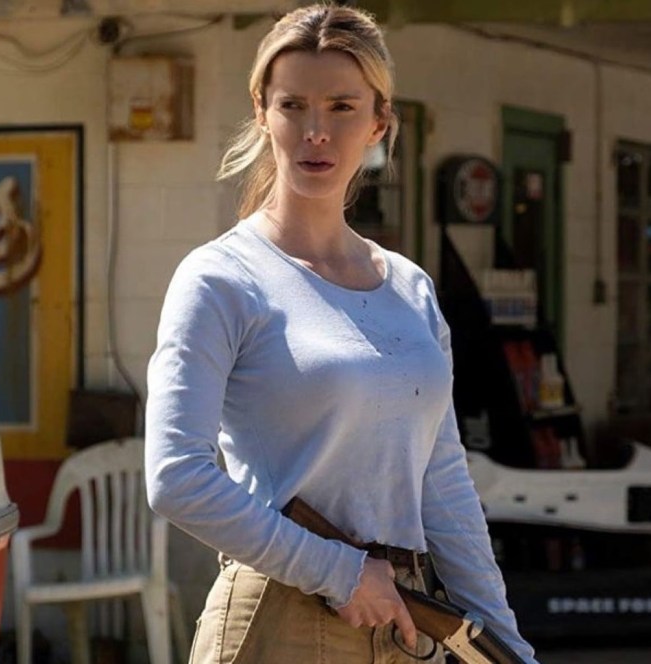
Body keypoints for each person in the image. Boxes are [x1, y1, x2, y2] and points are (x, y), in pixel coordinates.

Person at [145, 3, 537, 663]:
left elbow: (442, 482)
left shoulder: (410, 288)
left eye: (341, 107)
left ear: (380, 122)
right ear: (262, 113)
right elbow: (175, 476)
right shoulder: (221, 279)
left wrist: (505, 646)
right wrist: (339, 571)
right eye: (293, 105)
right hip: (280, 616)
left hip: (406, 620)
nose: (315, 132)